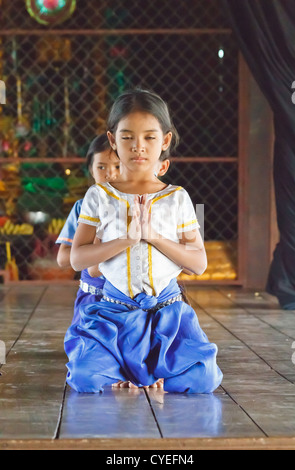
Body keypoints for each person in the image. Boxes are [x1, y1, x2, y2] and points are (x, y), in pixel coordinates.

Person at [66, 88, 223, 394]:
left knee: (204, 378)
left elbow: (199, 264)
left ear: (165, 141)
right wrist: (126, 239)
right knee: (85, 377)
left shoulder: (177, 197)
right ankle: (125, 370)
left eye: (150, 137)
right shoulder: (98, 196)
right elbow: (77, 259)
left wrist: (153, 237)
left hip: (169, 315)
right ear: (112, 141)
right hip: (112, 314)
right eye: (127, 137)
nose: (138, 146)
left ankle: (151, 371)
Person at [56, 134, 121, 326]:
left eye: (118, 166)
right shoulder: (81, 208)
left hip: (129, 300)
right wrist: (96, 248)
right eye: (101, 167)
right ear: (91, 171)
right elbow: (62, 259)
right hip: (93, 297)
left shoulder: (138, 207)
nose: (110, 174)